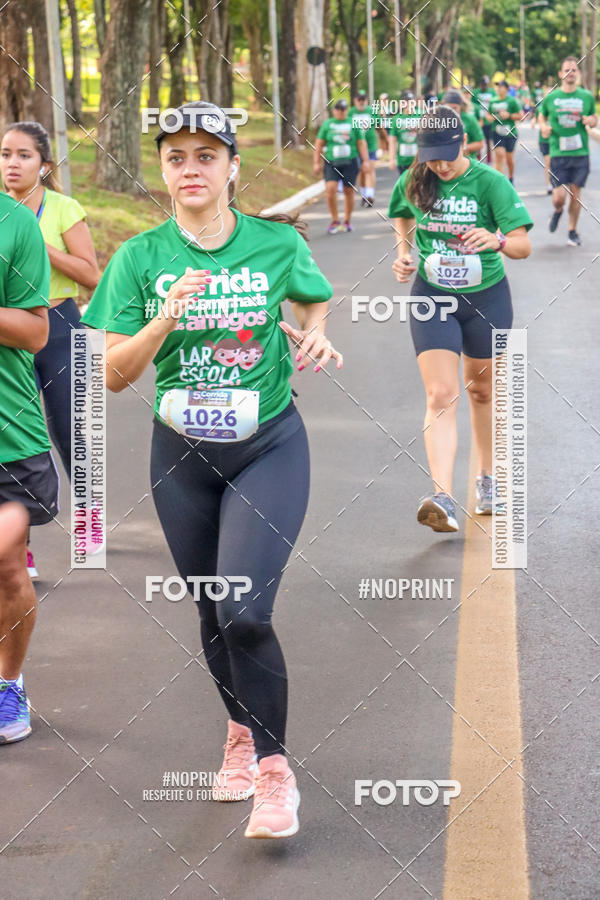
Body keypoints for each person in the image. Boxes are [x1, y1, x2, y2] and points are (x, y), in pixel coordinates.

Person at [82, 101, 343, 839]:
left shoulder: (273, 242)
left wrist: (316, 335)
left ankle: (273, 773)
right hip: (182, 456)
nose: (189, 169)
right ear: (163, 170)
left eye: (205, 155)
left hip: (268, 445)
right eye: (175, 157)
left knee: (244, 612)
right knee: (209, 610)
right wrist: (164, 318)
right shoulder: (139, 258)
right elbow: (112, 374)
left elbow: (315, 301)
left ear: (233, 165)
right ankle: (238, 728)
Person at [388, 108, 533, 533]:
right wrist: (403, 251)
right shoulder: (415, 179)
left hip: (487, 297)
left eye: (447, 155)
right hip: (432, 295)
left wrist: (498, 239)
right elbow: (401, 213)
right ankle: (443, 497)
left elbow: (524, 246)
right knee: (440, 393)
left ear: (464, 141)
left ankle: (487, 480)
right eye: (431, 157)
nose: (440, 164)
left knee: (483, 390)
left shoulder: (491, 184)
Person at [0, 121, 101, 576]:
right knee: (17, 441)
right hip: (11, 332)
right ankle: (20, 547)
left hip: (59, 329)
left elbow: (92, 275)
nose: (12, 164)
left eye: (23, 155)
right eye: (5, 154)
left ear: (44, 163)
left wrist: (42, 249)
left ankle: (89, 527)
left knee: (72, 432)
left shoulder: (62, 208)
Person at [0, 191, 58, 743]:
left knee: (7, 568)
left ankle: (7, 683)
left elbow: (35, 330)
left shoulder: (14, 222)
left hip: (6, 435)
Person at [538, 56, 597, 246]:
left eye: (574, 70)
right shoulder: (552, 97)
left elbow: (593, 117)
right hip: (558, 153)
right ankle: (557, 211)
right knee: (559, 197)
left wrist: (592, 121)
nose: (570, 73)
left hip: (580, 153)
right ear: (560, 74)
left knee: (575, 193)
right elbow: (541, 116)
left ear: (578, 74)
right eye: (567, 70)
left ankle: (572, 230)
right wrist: (543, 127)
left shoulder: (586, 96)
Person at [313, 99, 368, 233]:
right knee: (330, 189)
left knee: (348, 190)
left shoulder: (353, 123)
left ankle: (347, 220)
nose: (340, 112)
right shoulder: (328, 124)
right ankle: (335, 219)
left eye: (343, 109)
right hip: (332, 161)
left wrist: (365, 161)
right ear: (334, 111)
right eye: (338, 109)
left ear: (346, 110)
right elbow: (319, 143)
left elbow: (361, 143)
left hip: (350, 161)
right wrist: (316, 162)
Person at [486, 80, 522, 183]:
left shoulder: (512, 101)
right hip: (496, 131)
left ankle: (510, 178)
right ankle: (501, 182)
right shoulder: (493, 101)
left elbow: (520, 115)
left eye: (501, 87)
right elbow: (488, 114)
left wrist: (509, 116)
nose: (499, 88)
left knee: (509, 159)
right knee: (499, 155)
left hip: (510, 132)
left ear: (507, 89)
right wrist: (490, 118)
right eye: (497, 86)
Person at [349, 89, 378, 206]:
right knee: (361, 171)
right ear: (355, 100)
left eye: (363, 100)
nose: (361, 102)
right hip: (357, 147)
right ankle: (364, 194)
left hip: (370, 145)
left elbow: (380, 126)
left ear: (366, 100)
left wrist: (385, 139)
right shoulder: (350, 113)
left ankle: (370, 195)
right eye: (359, 100)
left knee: (369, 169)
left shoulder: (372, 111)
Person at [441, 89, 484, 160]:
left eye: (455, 108)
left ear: (461, 106)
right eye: (448, 108)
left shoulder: (470, 119)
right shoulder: (439, 119)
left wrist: (462, 148)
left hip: (467, 161)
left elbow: (480, 143)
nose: (451, 111)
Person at [388, 90, 422, 178]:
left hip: (419, 160)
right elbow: (392, 140)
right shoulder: (396, 119)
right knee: (405, 187)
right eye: (405, 101)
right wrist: (391, 159)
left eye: (410, 101)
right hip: (402, 160)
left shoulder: (421, 115)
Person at [472, 76, 497, 163]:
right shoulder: (475, 93)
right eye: (483, 84)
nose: (484, 86)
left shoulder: (492, 92)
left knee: (488, 141)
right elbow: (472, 105)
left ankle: (489, 158)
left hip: (488, 120)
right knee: (478, 140)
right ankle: (478, 158)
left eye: (485, 84)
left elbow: (495, 104)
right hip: (479, 120)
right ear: (480, 84)